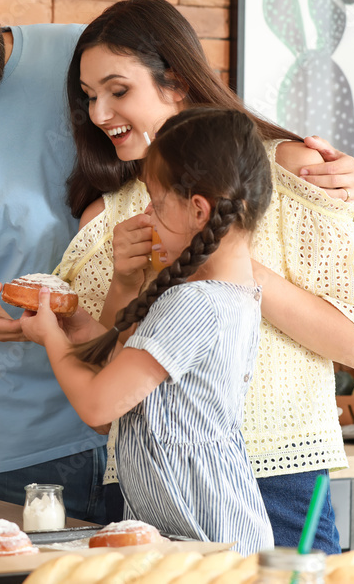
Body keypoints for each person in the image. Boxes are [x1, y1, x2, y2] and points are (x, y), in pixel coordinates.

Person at [0, 0, 354, 522]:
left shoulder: (86, 56)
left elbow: (218, 141)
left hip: (189, 438)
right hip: (29, 447)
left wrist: (313, 170)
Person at [55, 0, 354, 552]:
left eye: (118, 91)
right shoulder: (107, 216)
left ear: (177, 83)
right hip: (148, 486)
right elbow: (104, 403)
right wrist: (123, 284)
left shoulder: (289, 171)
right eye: (89, 98)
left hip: (276, 474)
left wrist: (217, 257)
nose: (99, 115)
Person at [23, 107, 275, 554]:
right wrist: (80, 326)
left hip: (209, 543)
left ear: (199, 210)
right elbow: (126, 374)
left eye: (157, 205)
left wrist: (51, 338)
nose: (148, 216)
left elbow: (99, 404)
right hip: (207, 537)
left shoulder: (194, 304)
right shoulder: (230, 294)